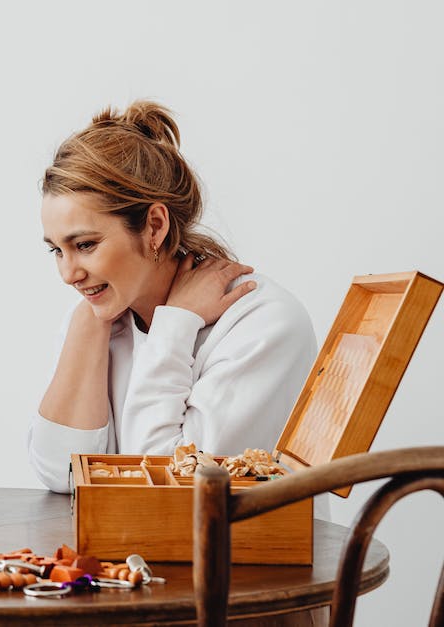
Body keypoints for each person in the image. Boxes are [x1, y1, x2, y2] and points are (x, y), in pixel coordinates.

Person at [27, 101, 317, 493]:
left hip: (240, 553)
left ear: (155, 226)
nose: (67, 274)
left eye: (85, 245)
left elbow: (170, 489)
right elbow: (59, 475)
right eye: (57, 250)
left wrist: (175, 326)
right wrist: (86, 328)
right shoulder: (101, 317)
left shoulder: (263, 324)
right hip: (130, 552)